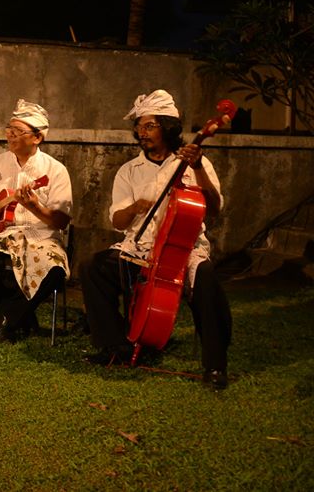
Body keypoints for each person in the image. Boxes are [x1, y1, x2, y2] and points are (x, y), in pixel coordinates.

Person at [81, 89, 233, 390]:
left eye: (149, 125)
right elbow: (117, 221)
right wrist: (137, 206)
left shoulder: (194, 163)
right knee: (92, 267)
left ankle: (215, 365)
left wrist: (199, 166)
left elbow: (213, 209)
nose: (141, 132)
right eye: (139, 126)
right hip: (140, 246)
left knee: (205, 277)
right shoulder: (129, 171)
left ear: (168, 127)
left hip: (183, 249)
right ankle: (114, 347)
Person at [0, 99, 72, 340]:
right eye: (9, 129)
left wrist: (35, 207)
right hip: (1, 236)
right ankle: (18, 316)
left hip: (42, 238)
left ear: (37, 137)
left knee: (53, 269)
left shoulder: (55, 171)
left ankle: (6, 317)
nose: (10, 135)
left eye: (18, 132)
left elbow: (61, 220)